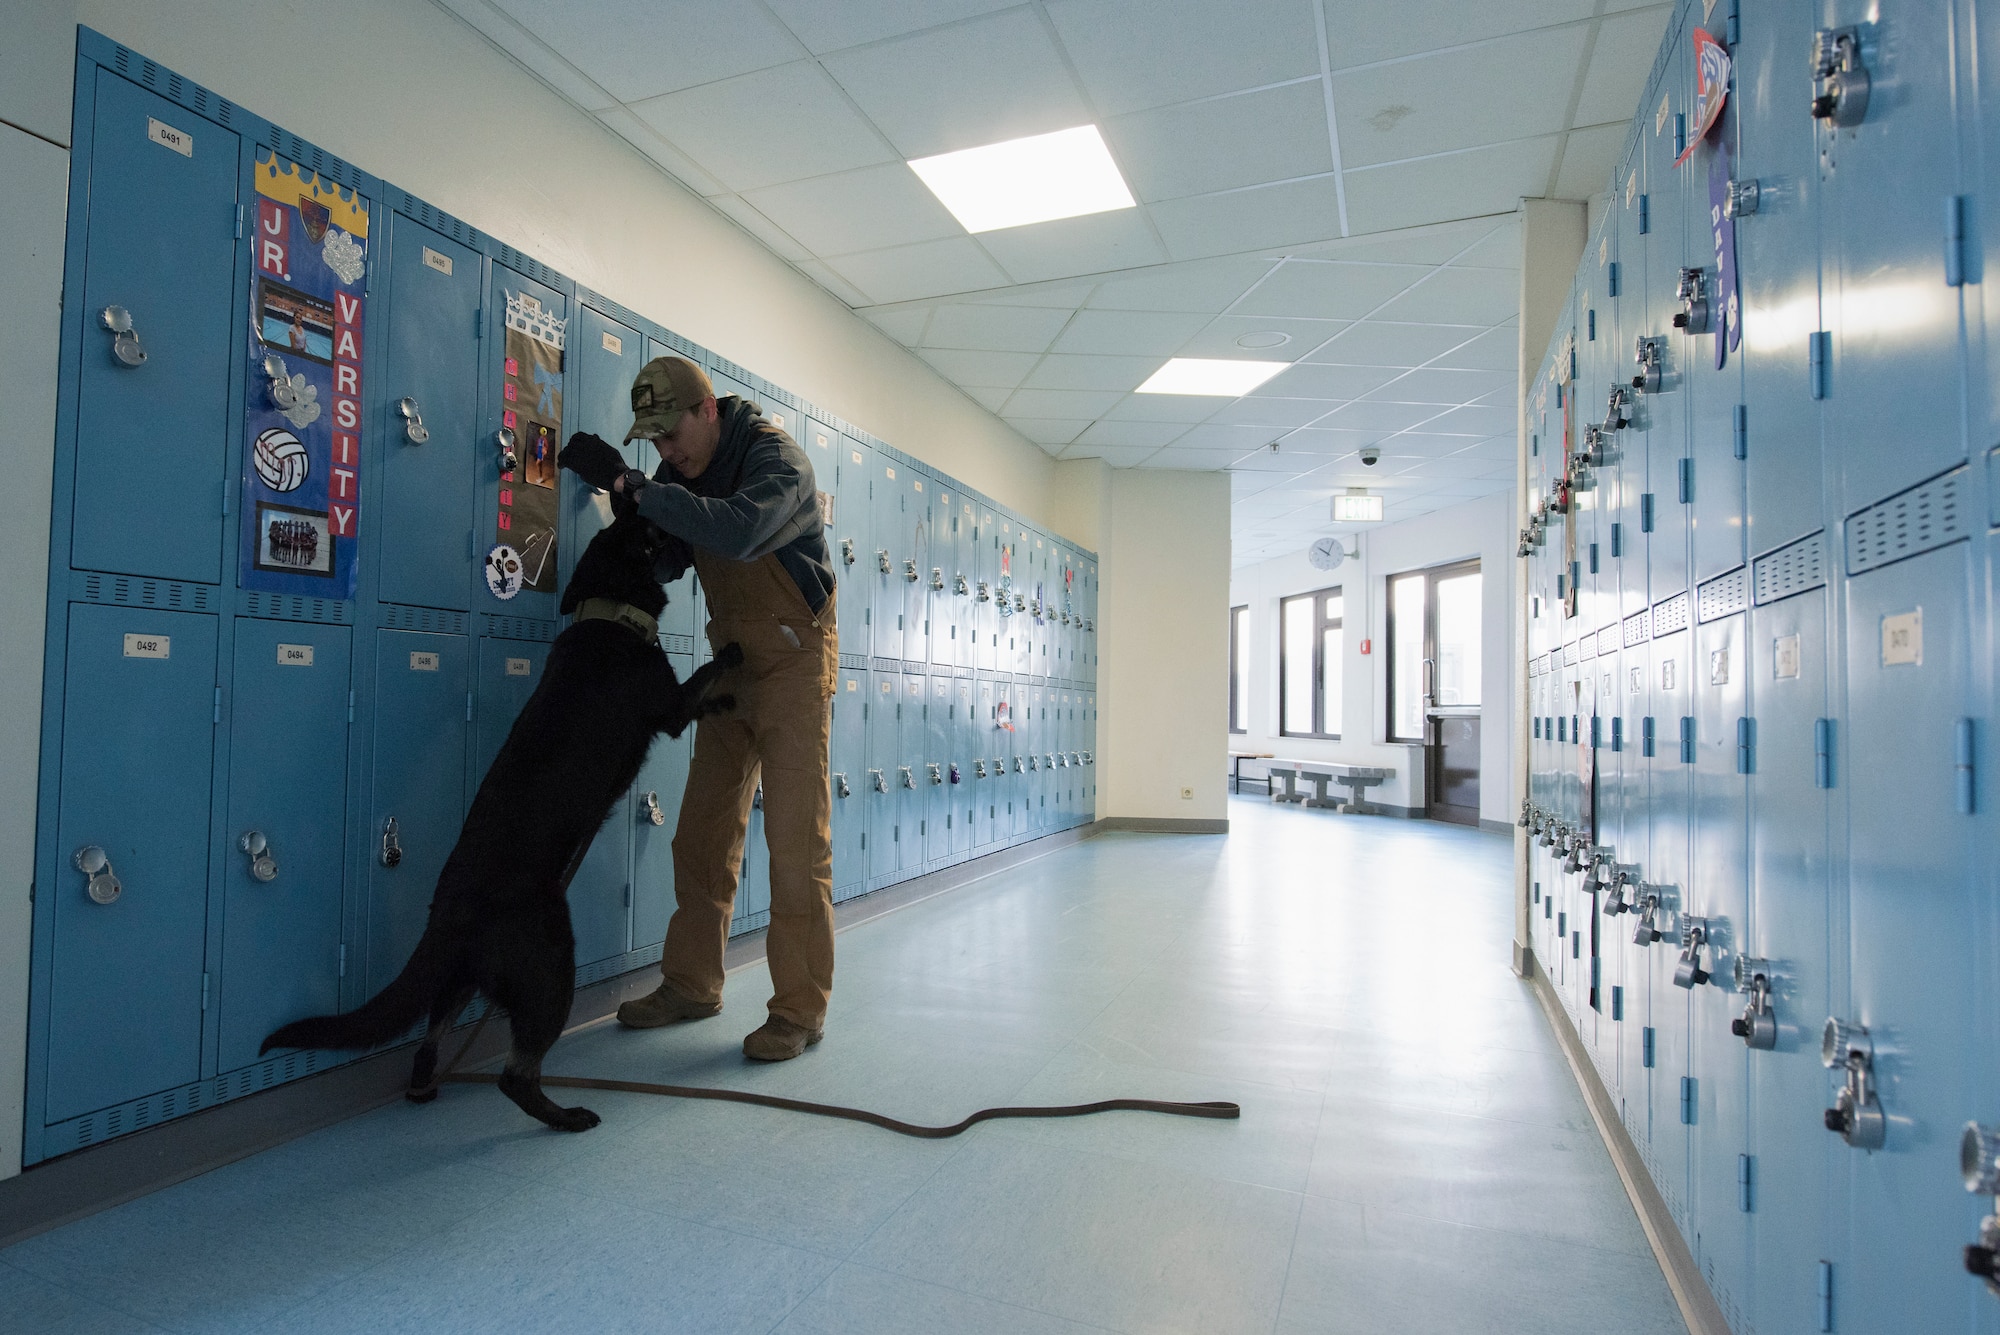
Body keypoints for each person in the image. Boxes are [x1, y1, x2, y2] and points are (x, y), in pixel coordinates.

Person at [561, 357, 836, 1061]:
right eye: (652, 444)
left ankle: (799, 1010)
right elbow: (676, 553)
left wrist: (639, 485)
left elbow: (741, 529)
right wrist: (629, 518)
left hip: (794, 664)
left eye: (671, 434)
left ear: (708, 410)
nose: (665, 453)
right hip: (733, 662)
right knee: (702, 834)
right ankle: (691, 982)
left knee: (797, 849)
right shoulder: (684, 474)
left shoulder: (776, 458)